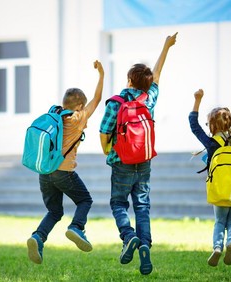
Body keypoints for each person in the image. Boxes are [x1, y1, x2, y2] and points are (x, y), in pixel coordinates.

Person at [99, 33, 177, 275]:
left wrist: (108, 152)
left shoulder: (116, 102)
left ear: (128, 80)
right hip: (143, 162)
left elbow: (104, 132)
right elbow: (158, 74)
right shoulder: (149, 99)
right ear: (146, 83)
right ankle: (144, 246)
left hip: (120, 161)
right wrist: (166, 46)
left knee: (118, 203)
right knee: (142, 206)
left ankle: (128, 235)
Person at [27, 60, 104, 264]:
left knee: (54, 211)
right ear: (79, 106)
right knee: (85, 200)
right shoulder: (78, 118)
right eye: (83, 105)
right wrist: (102, 75)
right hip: (64, 172)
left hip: (45, 172)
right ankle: (76, 227)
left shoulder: (55, 115)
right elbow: (97, 99)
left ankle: (37, 237)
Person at [189, 89, 231, 267]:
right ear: (230, 124)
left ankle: (217, 247)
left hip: (219, 193)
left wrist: (197, 100)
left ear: (212, 125)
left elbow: (193, 125)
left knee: (220, 222)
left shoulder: (212, 144)